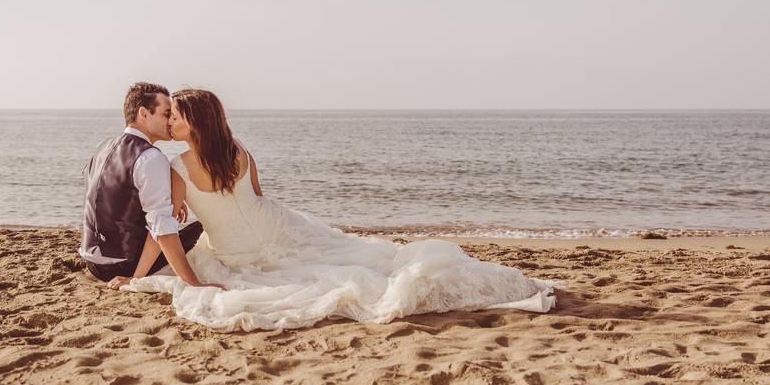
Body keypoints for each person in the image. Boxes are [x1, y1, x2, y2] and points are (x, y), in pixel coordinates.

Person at [118, 88, 555, 331]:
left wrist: (139, 274)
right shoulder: (238, 150)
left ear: (194, 121)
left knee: (352, 275)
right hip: (281, 231)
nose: (170, 121)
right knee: (369, 260)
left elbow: (166, 226)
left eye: (175, 115)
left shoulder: (176, 167)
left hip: (239, 254)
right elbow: (259, 197)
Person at [79, 82, 223, 290]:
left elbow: (112, 195)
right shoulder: (150, 158)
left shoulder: (103, 146)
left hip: (93, 262)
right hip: (125, 264)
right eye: (166, 114)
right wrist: (193, 284)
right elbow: (162, 228)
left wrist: (171, 198)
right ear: (144, 114)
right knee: (205, 227)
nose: (171, 121)